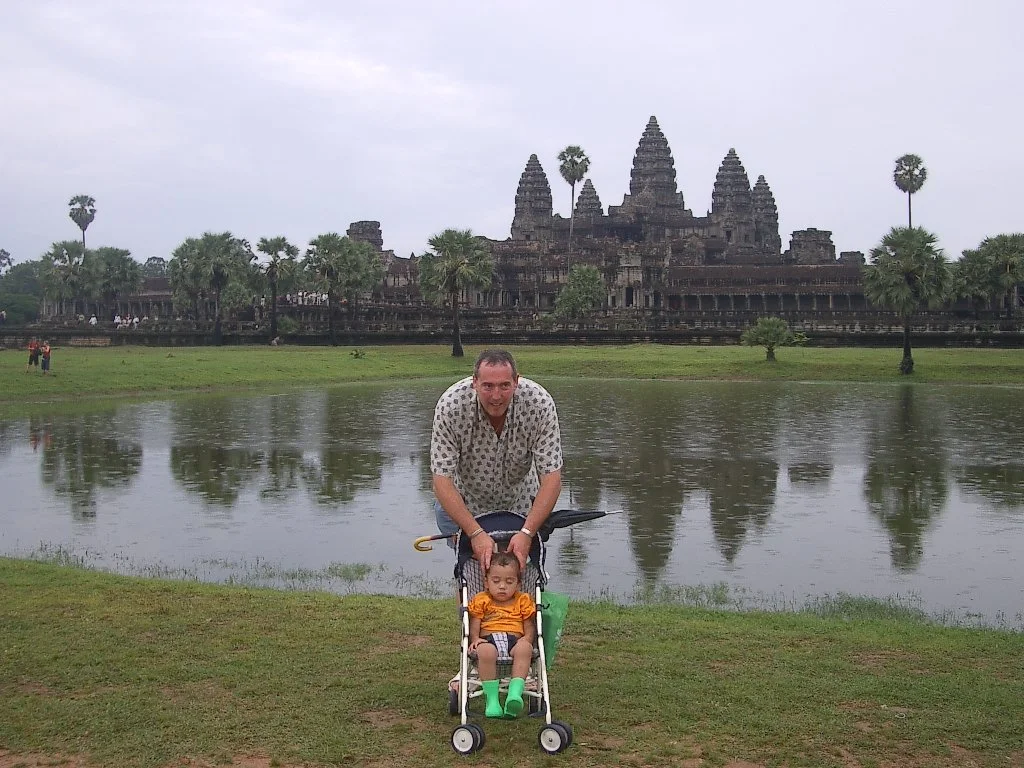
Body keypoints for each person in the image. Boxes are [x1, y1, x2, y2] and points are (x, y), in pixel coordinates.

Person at [431, 348, 563, 572]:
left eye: (504, 385)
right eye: (488, 386)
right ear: (474, 382)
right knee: (471, 574)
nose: (496, 396)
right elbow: (441, 481)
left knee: (516, 576)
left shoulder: (540, 403)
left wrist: (527, 533)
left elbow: (552, 478)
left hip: (521, 504)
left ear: (516, 381)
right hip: (464, 504)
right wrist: (474, 533)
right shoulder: (451, 407)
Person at [467, 551, 536, 718]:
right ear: (487, 582)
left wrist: (527, 640)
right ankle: (492, 700)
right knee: (486, 652)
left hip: (515, 639)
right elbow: (475, 623)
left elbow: (529, 625)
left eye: (509, 581)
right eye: (496, 581)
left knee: (525, 649)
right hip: (488, 639)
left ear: (518, 584)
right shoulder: (482, 599)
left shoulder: (522, 600)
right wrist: (475, 639)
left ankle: (514, 693)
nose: (502, 586)